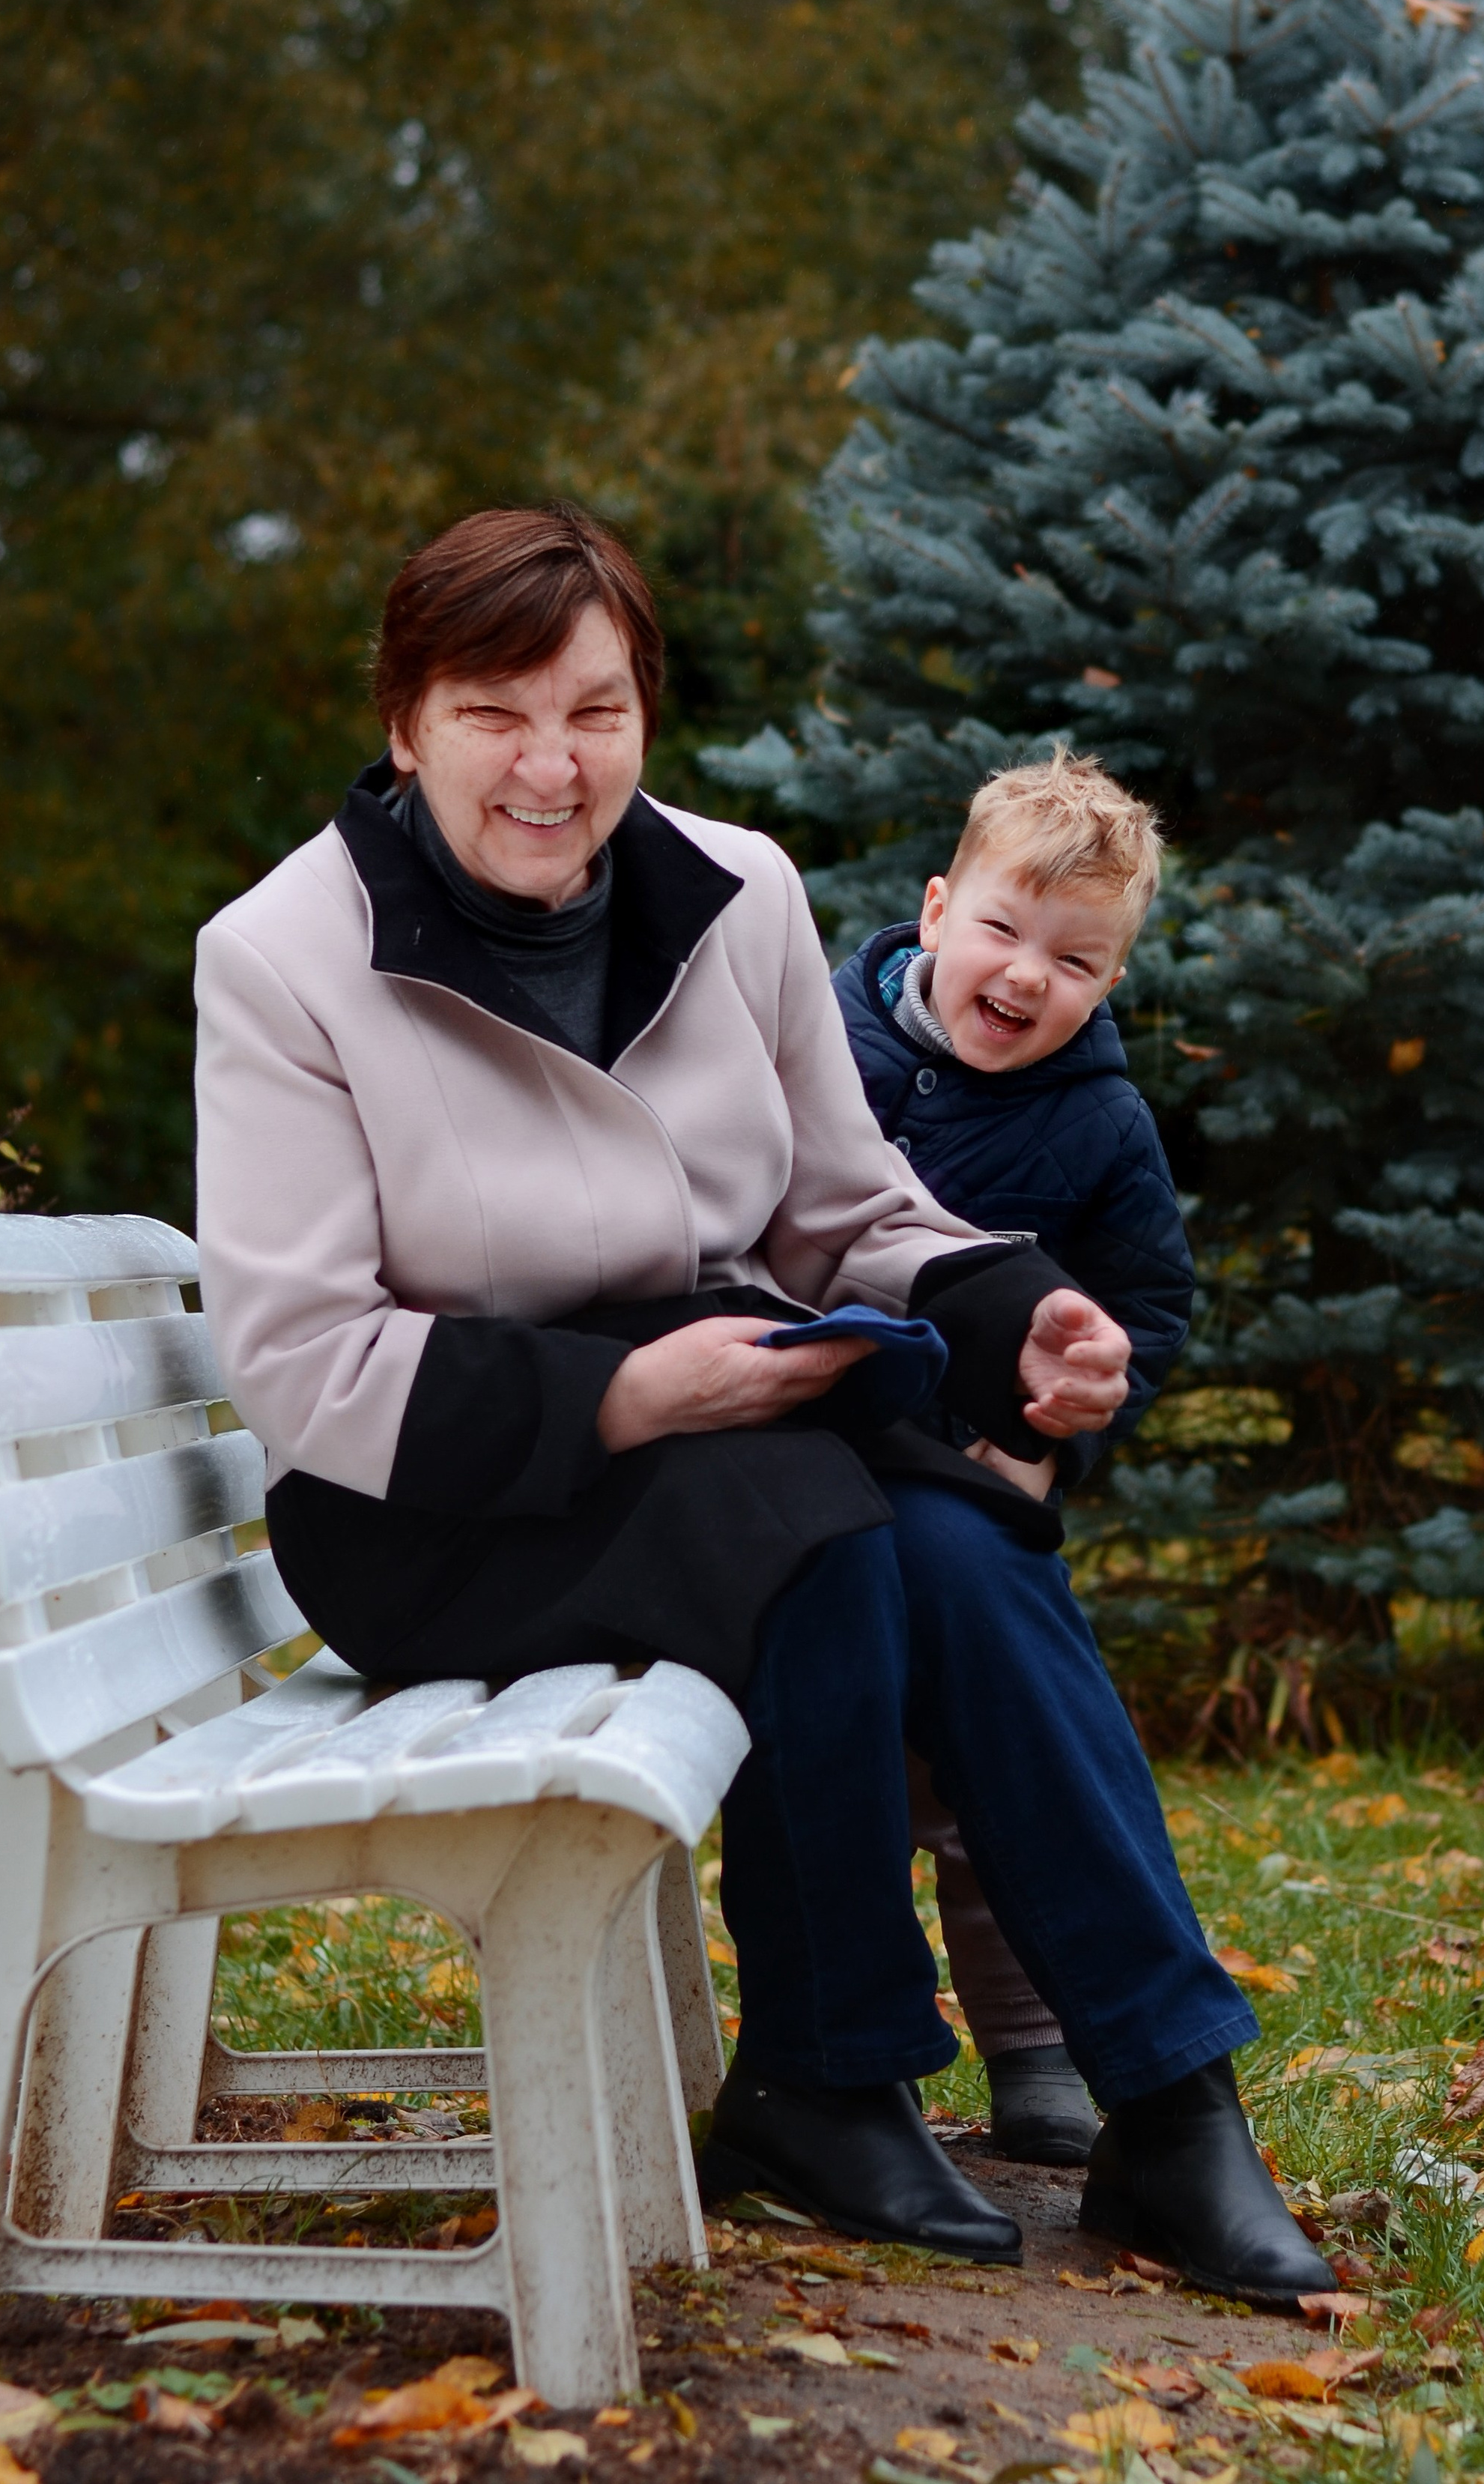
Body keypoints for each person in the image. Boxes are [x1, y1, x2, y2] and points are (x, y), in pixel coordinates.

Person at [193, 501, 1331, 2300]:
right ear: (404, 721)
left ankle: (1169, 2109)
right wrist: (633, 1392)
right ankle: (825, 2073)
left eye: (596, 709)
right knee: (816, 1517)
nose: (552, 767)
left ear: (647, 711)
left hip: (732, 1429)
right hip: (438, 1496)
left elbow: (844, 1202)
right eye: (494, 713)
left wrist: (1014, 1304)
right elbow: (305, 1358)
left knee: (963, 1545)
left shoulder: (737, 891)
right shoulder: (282, 957)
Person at [833, 752, 1192, 2169]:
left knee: (979, 1770)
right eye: (1001, 930)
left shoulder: (1101, 1125)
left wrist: (1063, 1432)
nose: (1026, 975)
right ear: (933, 910)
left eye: (1076, 959)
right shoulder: (825, 1053)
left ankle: (1035, 2050)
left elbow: (1144, 1308)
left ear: (1108, 985)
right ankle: (864, 2047)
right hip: (814, 1456)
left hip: (979, 1477)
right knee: (849, 1762)